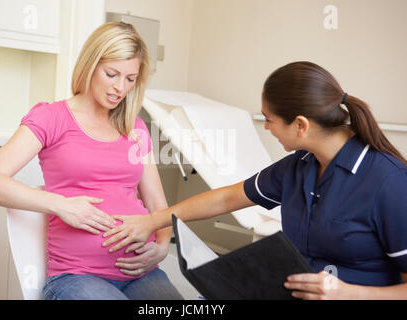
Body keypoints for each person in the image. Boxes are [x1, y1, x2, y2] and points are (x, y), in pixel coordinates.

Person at [102, 61, 407, 300]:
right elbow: (225, 198)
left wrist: (349, 294)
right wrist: (152, 221)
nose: (267, 127)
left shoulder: (389, 183)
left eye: (269, 119)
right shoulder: (299, 167)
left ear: (300, 125)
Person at [0, 21, 183, 300]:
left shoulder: (134, 128)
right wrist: (61, 205)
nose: (120, 88)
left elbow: (157, 203)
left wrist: (162, 243)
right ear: (91, 64)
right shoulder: (52, 117)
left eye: (130, 79)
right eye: (112, 74)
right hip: (76, 276)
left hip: (141, 272)